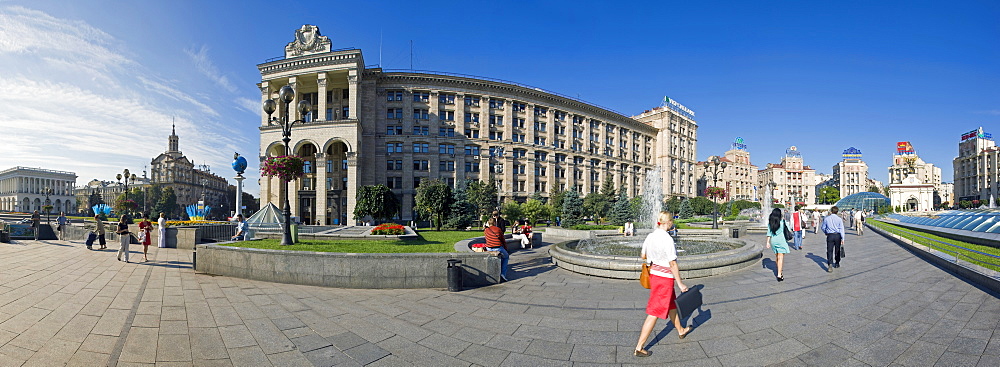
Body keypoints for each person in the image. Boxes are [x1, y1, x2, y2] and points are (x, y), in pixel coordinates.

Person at [633, 211, 691, 357]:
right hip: (664, 279)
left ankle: (680, 330)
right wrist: (680, 283)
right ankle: (639, 347)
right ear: (669, 222)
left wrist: (655, 257)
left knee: (672, 306)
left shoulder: (651, 236)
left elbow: (643, 255)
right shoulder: (667, 239)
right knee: (654, 312)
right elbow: (672, 263)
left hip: (654, 275)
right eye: (672, 221)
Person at [765, 208, 791, 281]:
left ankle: (779, 270)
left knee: (777, 256)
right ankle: (779, 274)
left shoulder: (771, 223)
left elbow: (769, 233)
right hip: (781, 241)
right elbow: (789, 230)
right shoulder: (782, 222)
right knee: (780, 257)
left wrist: (767, 242)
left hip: (773, 241)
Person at [483, 217, 509, 282]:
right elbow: (503, 240)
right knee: (506, 257)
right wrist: (505, 248)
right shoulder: (498, 229)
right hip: (498, 247)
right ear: (495, 223)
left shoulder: (486, 230)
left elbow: (486, 239)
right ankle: (503, 274)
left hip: (488, 248)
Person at [822, 206, 846, 272]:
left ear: (831, 211)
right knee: (837, 250)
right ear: (837, 212)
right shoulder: (839, 219)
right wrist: (843, 238)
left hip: (830, 235)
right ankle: (837, 262)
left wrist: (826, 232)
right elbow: (841, 229)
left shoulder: (827, 218)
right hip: (837, 235)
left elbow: (823, 227)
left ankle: (830, 264)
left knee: (829, 250)